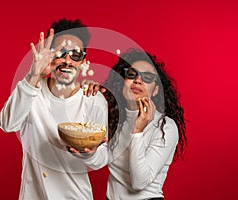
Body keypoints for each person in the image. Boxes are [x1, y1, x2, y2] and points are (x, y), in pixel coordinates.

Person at [0, 18, 108, 200]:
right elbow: (7, 124)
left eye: (76, 55)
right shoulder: (31, 89)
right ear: (49, 56)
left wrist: (91, 153)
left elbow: (101, 159)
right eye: (61, 53)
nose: (67, 61)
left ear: (83, 62)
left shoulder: (93, 99)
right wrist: (33, 75)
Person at [71, 49, 187, 199]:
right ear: (122, 82)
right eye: (131, 74)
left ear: (156, 90)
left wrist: (137, 131)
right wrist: (89, 154)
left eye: (148, 77)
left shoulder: (165, 127)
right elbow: (102, 159)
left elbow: (139, 183)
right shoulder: (115, 120)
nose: (138, 80)